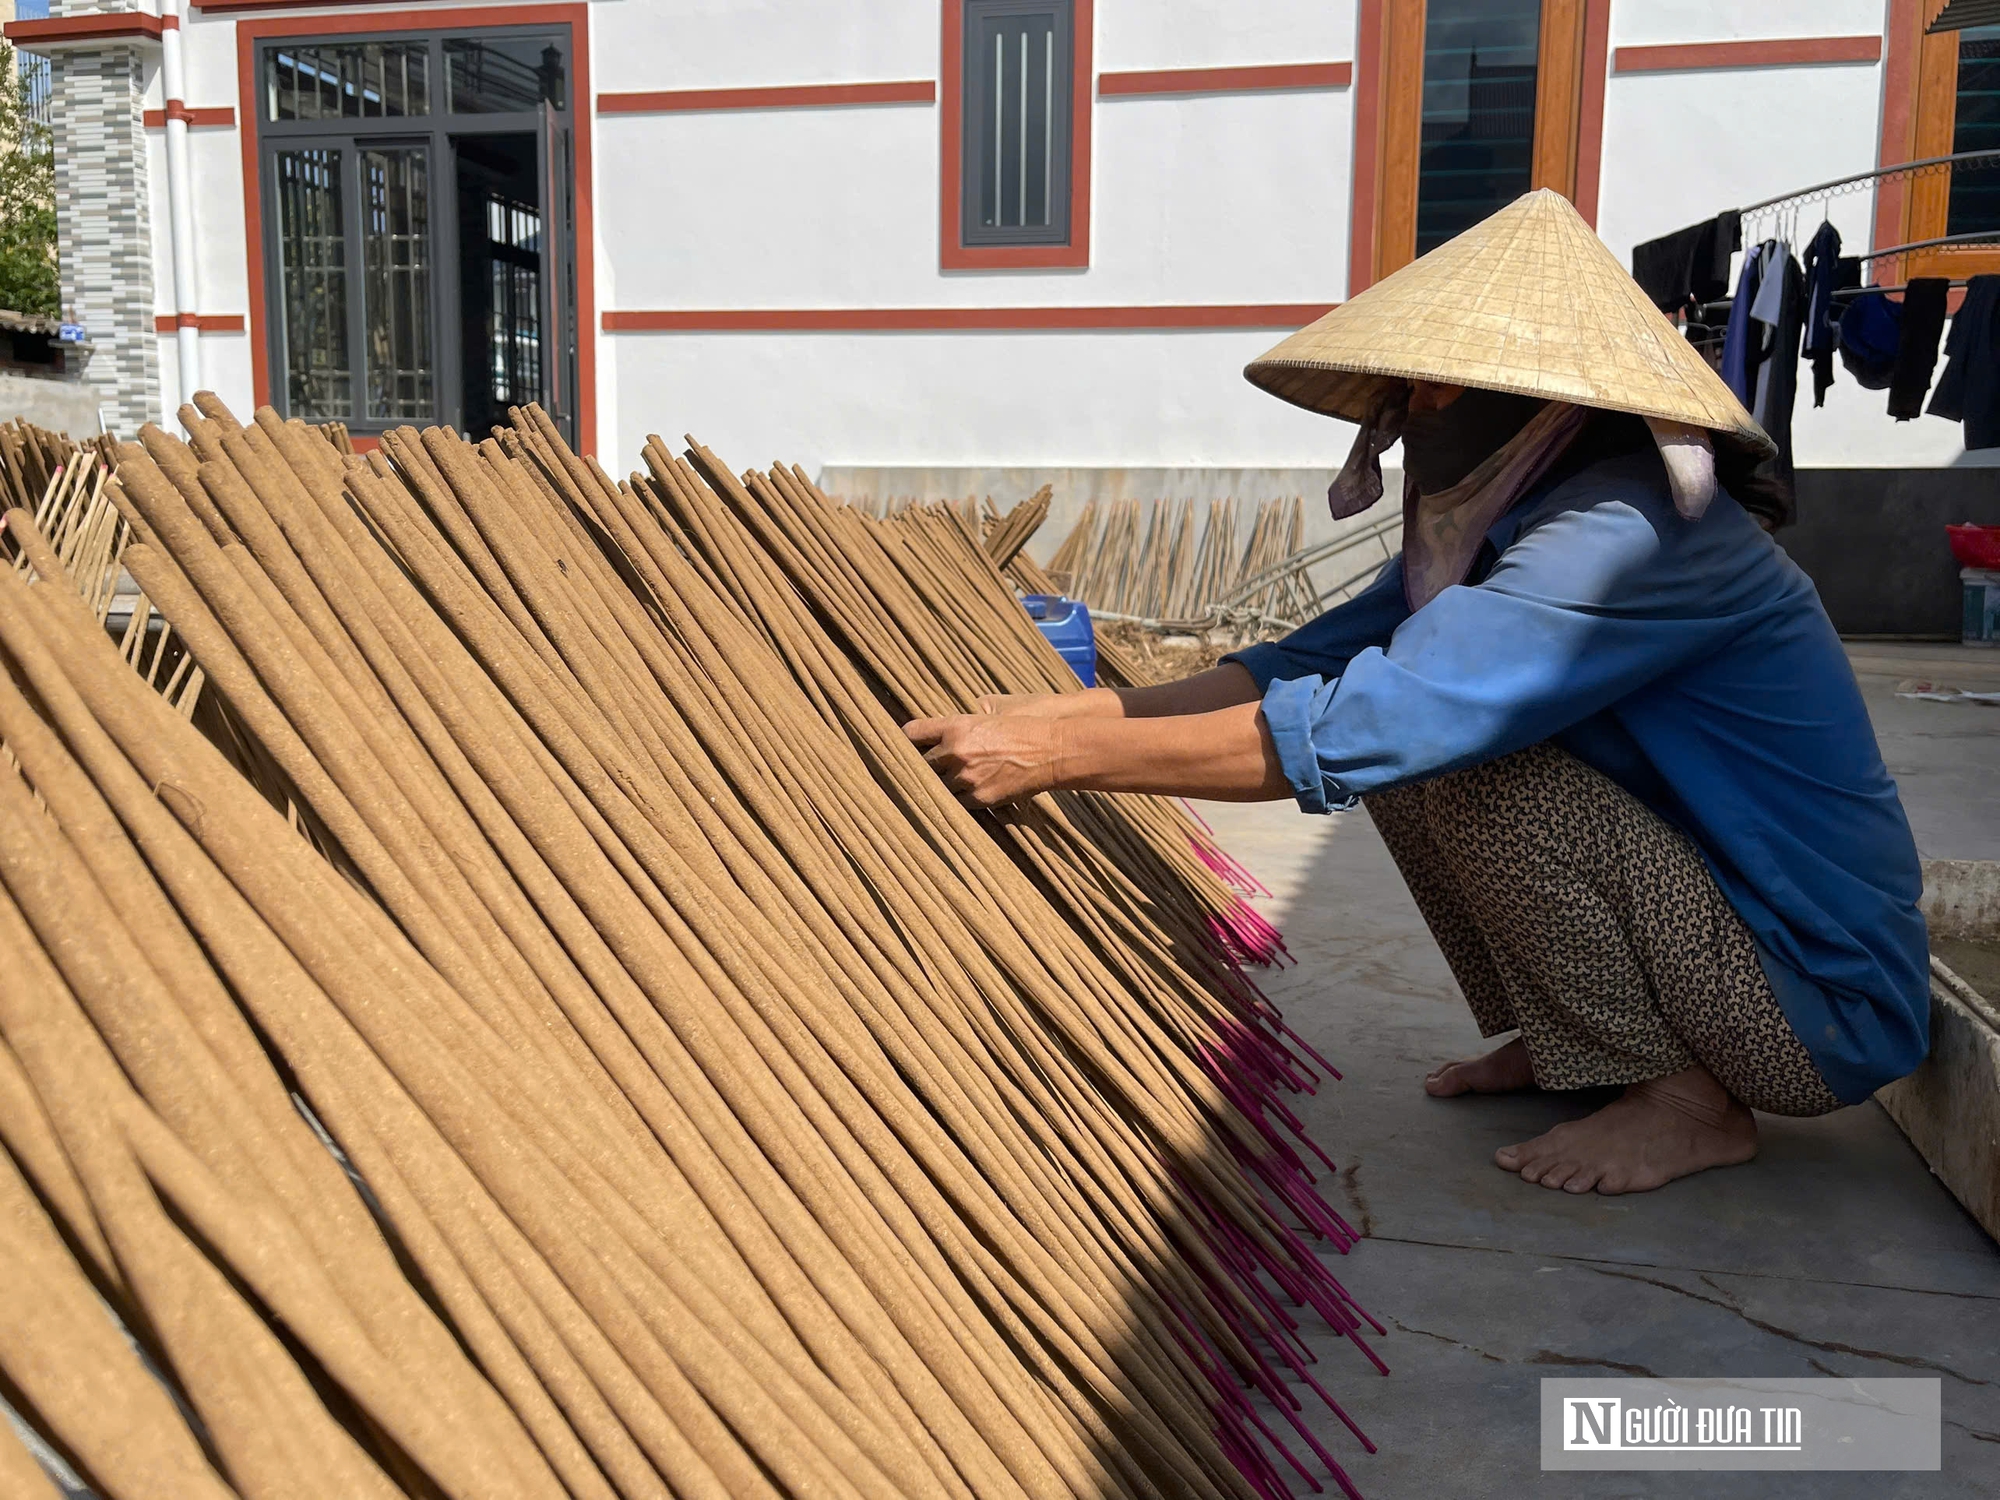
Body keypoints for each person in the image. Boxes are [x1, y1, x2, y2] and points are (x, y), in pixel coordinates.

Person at [905, 191, 1929, 1197]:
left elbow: (1367, 724)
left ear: (1539, 397)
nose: (1407, 421)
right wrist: (1041, 719)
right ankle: (1588, 1043)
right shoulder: (1513, 522)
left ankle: (1688, 1103)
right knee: (1410, 752)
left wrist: (1056, 762)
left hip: (1811, 1000)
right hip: (1718, 942)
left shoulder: (1627, 534)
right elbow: (1290, 667)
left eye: (1435, 393)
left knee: (1461, 770)